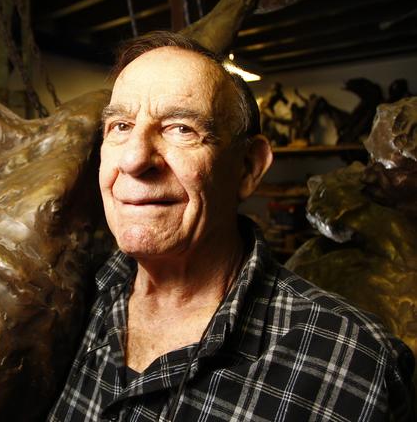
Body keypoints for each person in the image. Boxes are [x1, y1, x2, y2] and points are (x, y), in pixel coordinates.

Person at [48, 32, 415, 421]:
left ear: (248, 168)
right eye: (121, 126)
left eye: (181, 129)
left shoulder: (353, 365)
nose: (135, 159)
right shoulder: (61, 303)